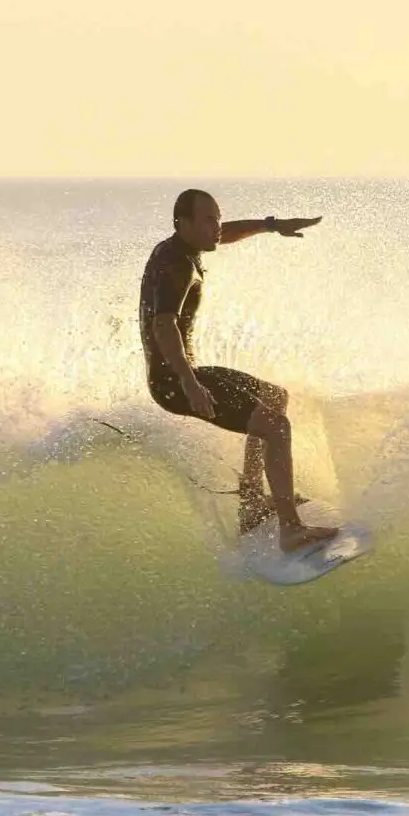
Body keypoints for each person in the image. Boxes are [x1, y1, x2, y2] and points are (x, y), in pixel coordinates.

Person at [139, 188, 339, 553]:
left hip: (182, 374)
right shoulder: (178, 266)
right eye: (208, 220)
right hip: (174, 381)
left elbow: (222, 234)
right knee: (277, 427)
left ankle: (252, 503)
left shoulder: (178, 248)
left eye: (217, 218)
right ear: (183, 223)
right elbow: (163, 325)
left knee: (275, 397)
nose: (216, 227)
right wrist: (189, 383)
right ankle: (291, 530)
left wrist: (271, 225)